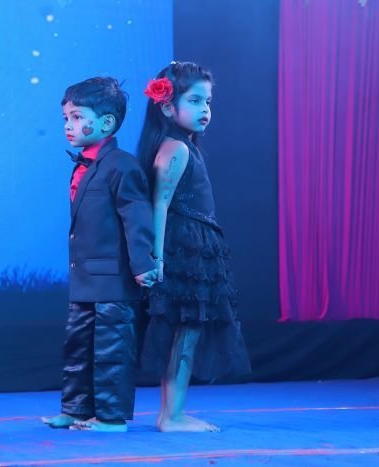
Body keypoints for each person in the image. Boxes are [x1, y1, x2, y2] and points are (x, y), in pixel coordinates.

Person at [137, 61, 251, 432]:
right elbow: (160, 203)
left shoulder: (185, 146)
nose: (205, 109)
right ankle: (171, 416)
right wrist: (156, 256)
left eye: (208, 101)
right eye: (195, 100)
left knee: (187, 332)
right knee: (184, 332)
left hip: (193, 242)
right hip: (185, 247)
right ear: (168, 107)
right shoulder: (176, 149)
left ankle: (171, 413)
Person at [42, 77, 157, 432]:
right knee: (78, 348)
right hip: (86, 279)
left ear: (106, 122)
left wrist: (143, 264)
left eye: (77, 117)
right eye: (66, 118)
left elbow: (136, 218)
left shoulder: (122, 166)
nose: (68, 125)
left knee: (111, 350)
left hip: (113, 280)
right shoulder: (85, 165)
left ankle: (110, 416)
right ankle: (76, 409)